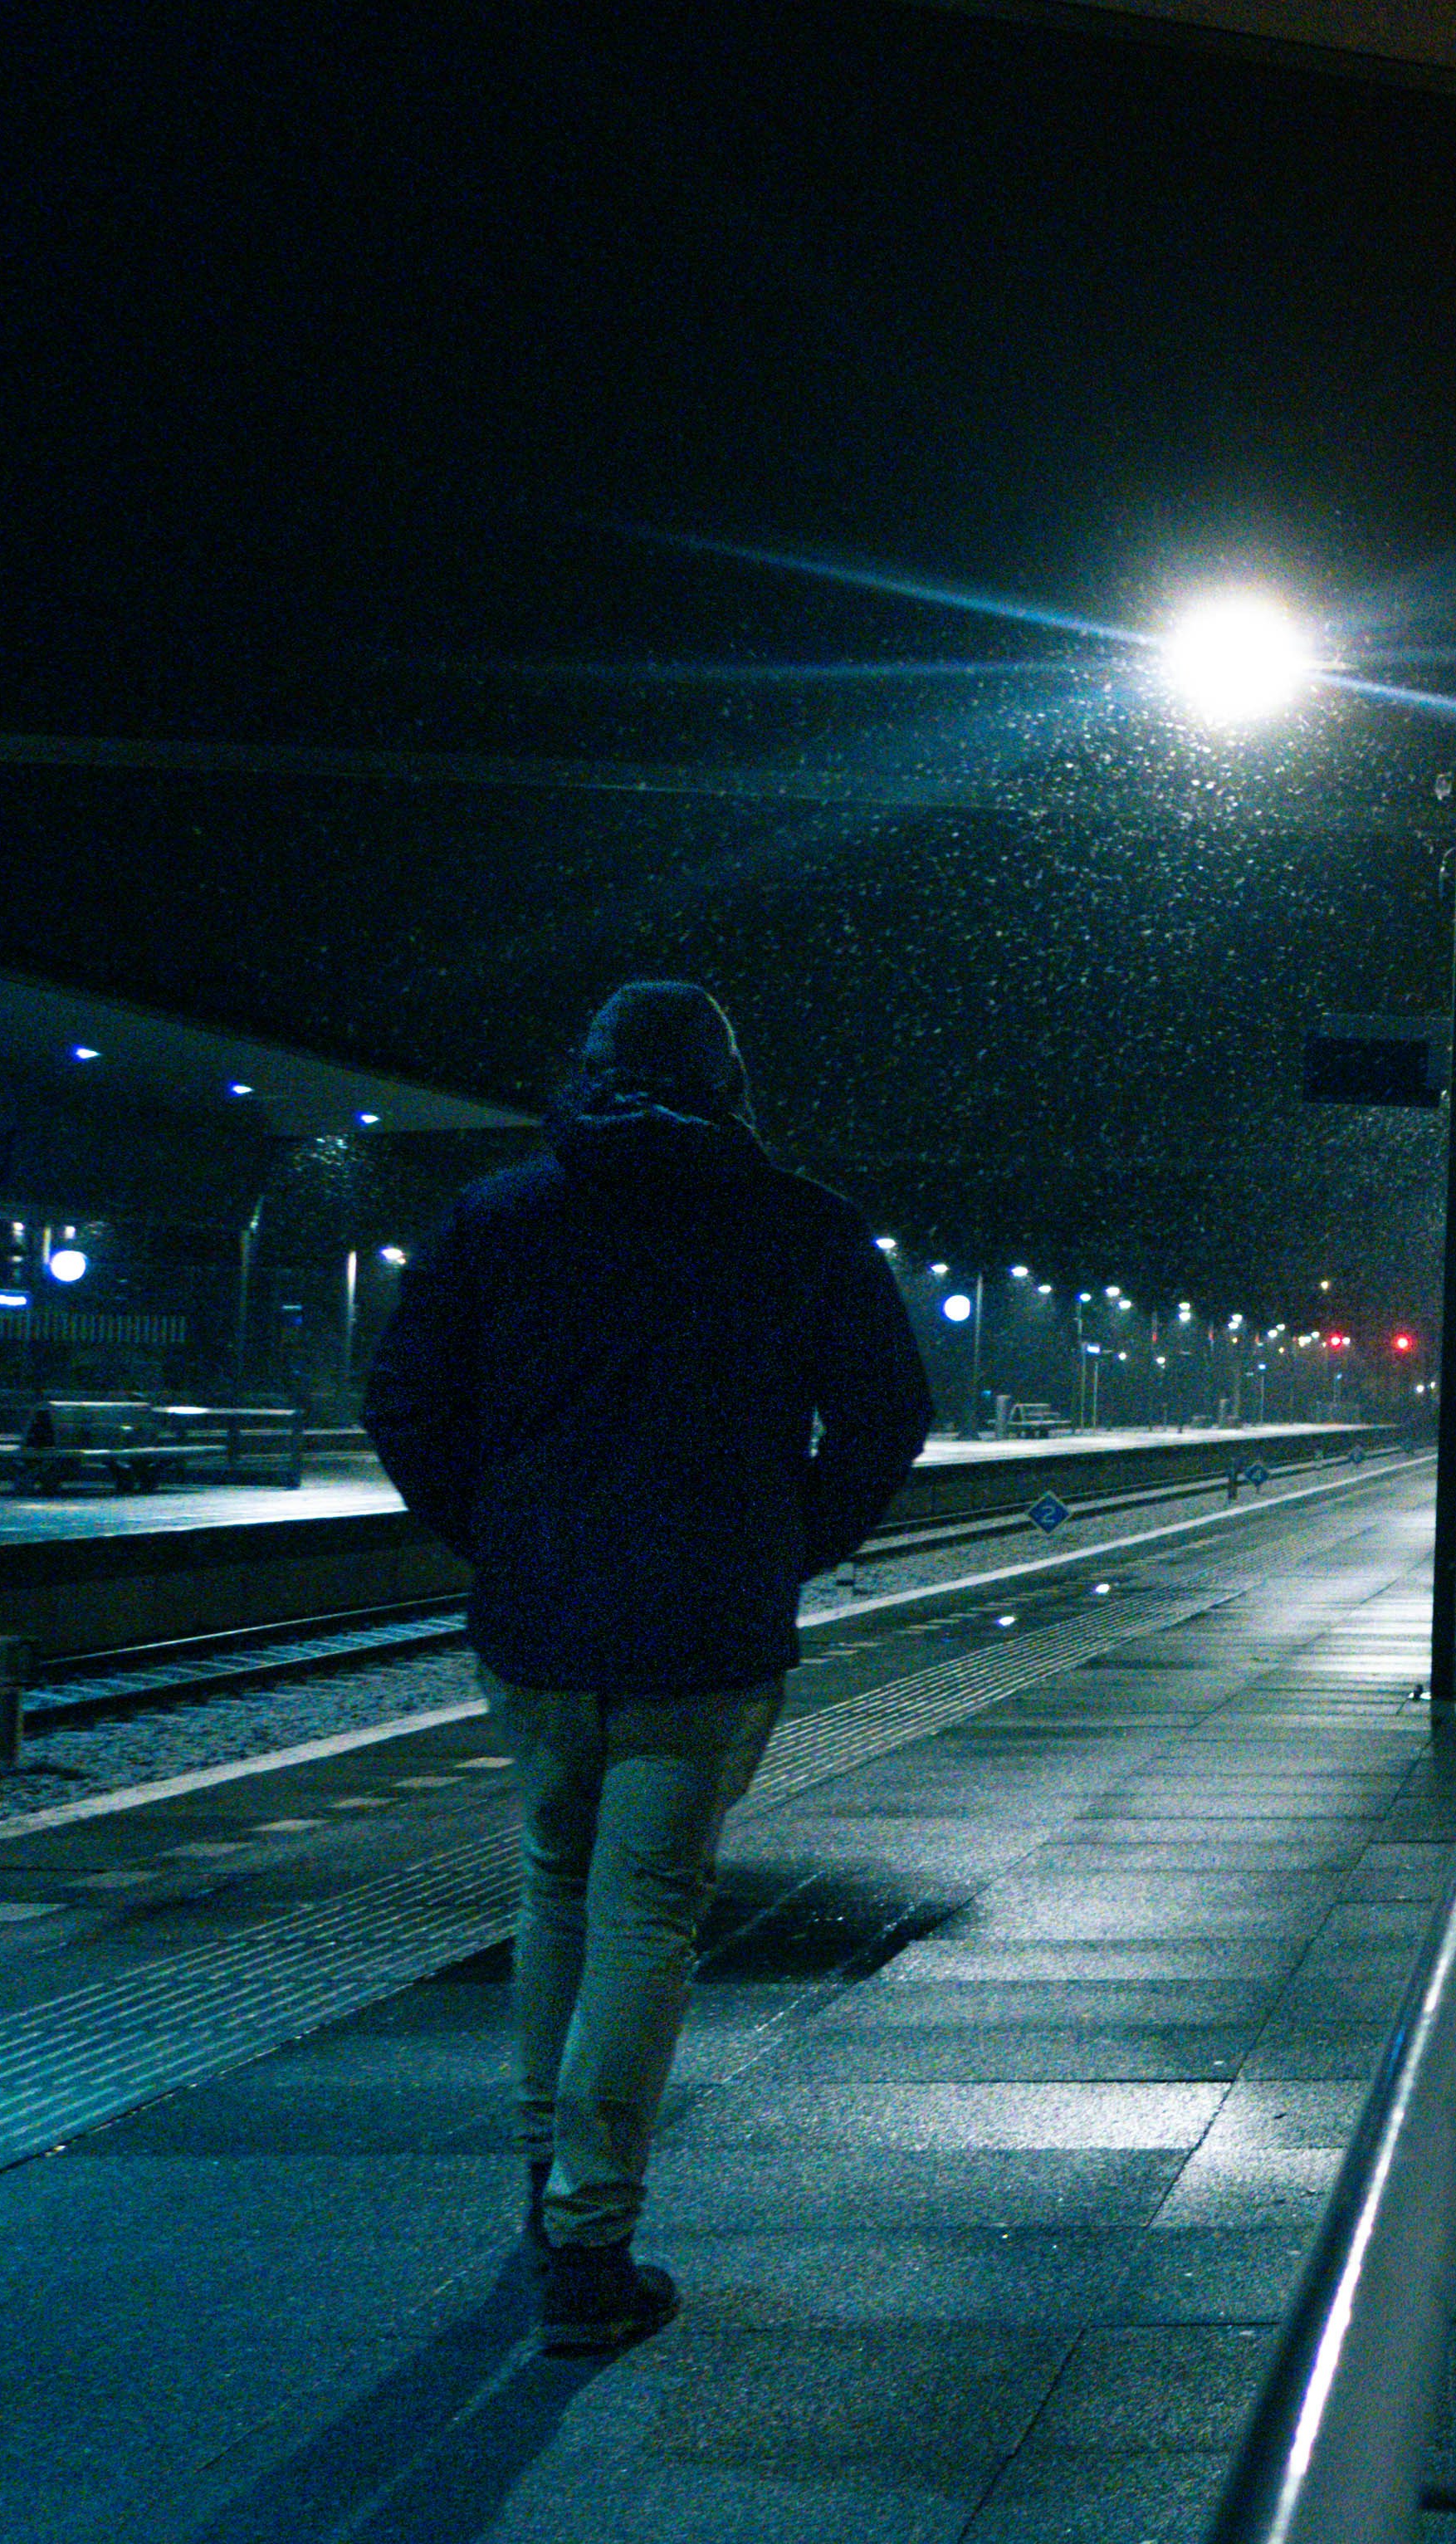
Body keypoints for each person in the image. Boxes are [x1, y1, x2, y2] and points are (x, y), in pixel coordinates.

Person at [365, 981, 931, 2354]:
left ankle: (544, 2192)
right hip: (704, 1629)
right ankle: (591, 2238)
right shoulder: (797, 1224)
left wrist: (500, 1538)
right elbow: (890, 1412)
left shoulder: (500, 1218)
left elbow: (402, 1406)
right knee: (646, 1911)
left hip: (542, 1625)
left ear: (595, 1069)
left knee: (557, 1888)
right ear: (731, 1081)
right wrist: (784, 1542)